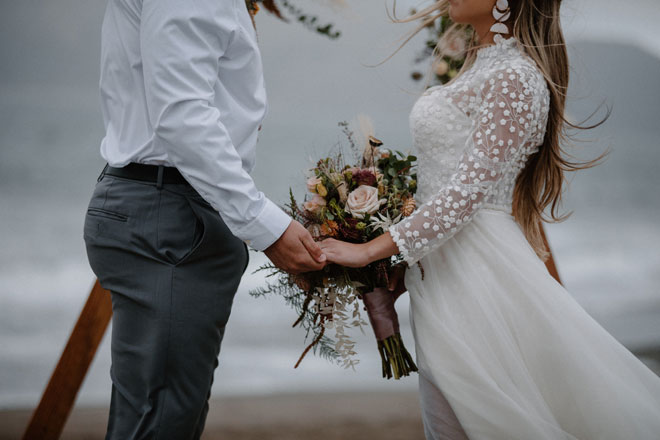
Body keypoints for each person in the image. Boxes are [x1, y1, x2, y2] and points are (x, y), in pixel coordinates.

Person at [319, 0, 660, 438]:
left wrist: (370, 248)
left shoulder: (515, 76)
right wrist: (403, 261)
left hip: (478, 275)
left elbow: (465, 195)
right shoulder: (482, 68)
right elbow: (445, 187)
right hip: (443, 272)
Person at [82, 0, 326, 438]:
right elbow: (181, 115)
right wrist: (266, 228)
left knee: (162, 412)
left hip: (168, 208)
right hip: (171, 215)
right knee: (161, 418)